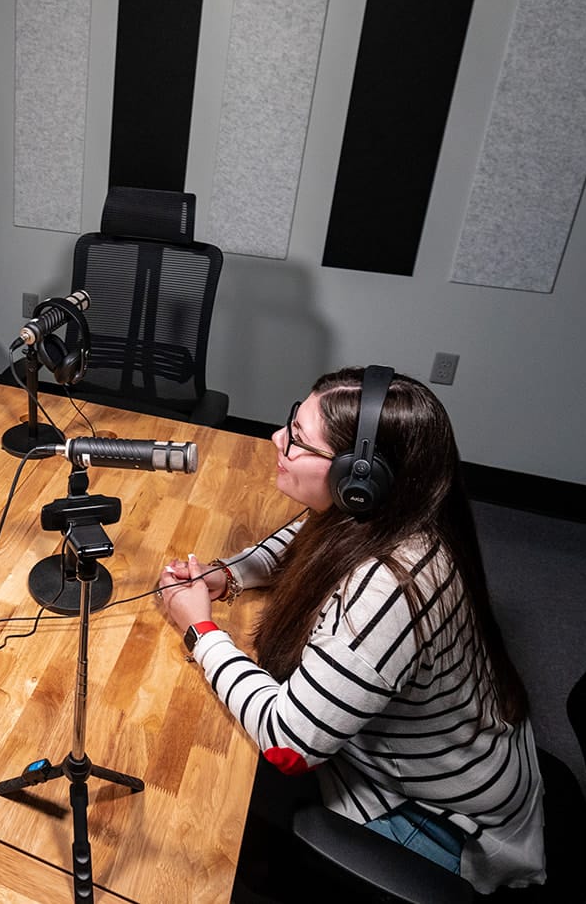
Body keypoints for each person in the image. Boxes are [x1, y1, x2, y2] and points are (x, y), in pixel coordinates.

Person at [156, 366, 545, 893]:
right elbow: (305, 540)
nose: (278, 439)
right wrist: (228, 575)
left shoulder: (390, 589)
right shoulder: (391, 514)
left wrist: (199, 628)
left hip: (438, 819)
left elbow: (289, 742)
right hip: (460, 762)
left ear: (357, 478)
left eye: (298, 440)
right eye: (292, 421)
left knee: (197, 807)